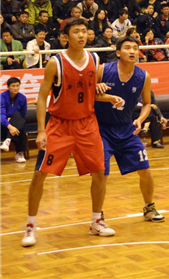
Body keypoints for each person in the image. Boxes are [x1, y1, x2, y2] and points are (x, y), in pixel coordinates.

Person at [21, 19, 123, 247]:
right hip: (59, 125)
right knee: (40, 174)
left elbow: (90, 92)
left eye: (84, 31)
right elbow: (41, 98)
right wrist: (41, 131)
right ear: (65, 37)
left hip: (87, 124)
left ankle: (96, 221)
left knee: (100, 172)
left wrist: (108, 97)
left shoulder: (95, 59)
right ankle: (30, 226)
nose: (81, 35)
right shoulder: (55, 63)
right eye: (76, 32)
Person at [95, 36, 165, 223]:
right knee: (101, 173)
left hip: (127, 129)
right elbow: (86, 92)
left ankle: (149, 208)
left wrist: (140, 119)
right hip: (101, 129)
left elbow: (147, 104)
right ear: (118, 52)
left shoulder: (143, 76)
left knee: (145, 169)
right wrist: (96, 86)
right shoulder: (103, 70)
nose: (132, 51)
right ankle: (97, 215)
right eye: (127, 48)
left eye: (135, 48)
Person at [0, 77, 29, 163]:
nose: (16, 88)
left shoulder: (22, 98)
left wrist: (12, 120)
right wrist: (10, 126)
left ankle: (8, 141)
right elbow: (1, 115)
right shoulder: (2, 97)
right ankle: (19, 152)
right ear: (8, 87)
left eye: (17, 86)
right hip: (3, 126)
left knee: (18, 116)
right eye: (13, 86)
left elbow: (22, 115)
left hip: (15, 124)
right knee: (19, 128)